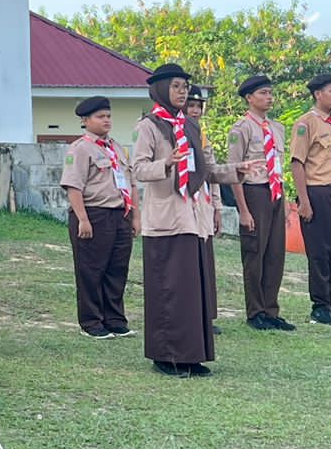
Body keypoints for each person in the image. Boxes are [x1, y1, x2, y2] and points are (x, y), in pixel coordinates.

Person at [131, 64, 252, 377]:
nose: (183, 92)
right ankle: (166, 355)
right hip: (167, 219)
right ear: (159, 89)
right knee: (168, 288)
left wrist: (235, 170)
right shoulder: (148, 126)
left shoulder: (191, 126)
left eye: (185, 86)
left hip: (193, 219)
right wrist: (165, 163)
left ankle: (190, 354)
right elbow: (138, 169)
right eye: (176, 86)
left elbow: (207, 169)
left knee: (192, 290)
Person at [59, 95, 135, 340]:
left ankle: (114, 319)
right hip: (94, 213)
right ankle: (92, 322)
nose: (107, 121)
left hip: (119, 214)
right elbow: (73, 187)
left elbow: (131, 184)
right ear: (86, 120)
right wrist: (82, 218)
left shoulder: (116, 148)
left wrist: (135, 217)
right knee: (91, 269)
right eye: (101, 117)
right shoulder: (80, 148)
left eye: (109, 116)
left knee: (117, 269)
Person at [227, 74, 294, 331]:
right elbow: (235, 171)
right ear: (249, 97)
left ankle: (271, 309)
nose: (269, 98)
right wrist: (243, 210)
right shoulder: (241, 129)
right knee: (255, 253)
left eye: (270, 93)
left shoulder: (277, 128)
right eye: (263, 93)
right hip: (253, 193)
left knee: (275, 254)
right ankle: (255, 312)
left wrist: (284, 201)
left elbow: (278, 165)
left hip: (274, 193)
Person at [290, 71, 331, 326]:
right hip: (318, 190)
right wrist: (304, 201)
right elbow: (298, 163)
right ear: (318, 94)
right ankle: (320, 305)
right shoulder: (306, 123)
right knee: (320, 251)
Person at [184, 85, 222, 334]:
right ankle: (192, 315)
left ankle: (208, 315)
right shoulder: (177, 133)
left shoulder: (203, 136)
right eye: (191, 105)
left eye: (199, 106)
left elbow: (212, 173)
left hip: (205, 205)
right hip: (186, 205)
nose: (195, 111)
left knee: (206, 262)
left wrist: (217, 206)